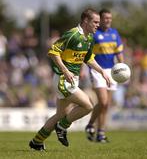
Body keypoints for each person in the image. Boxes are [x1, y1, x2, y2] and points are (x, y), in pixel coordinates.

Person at [29, 8, 110, 151]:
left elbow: (88, 58)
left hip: (73, 79)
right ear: (85, 21)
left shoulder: (89, 37)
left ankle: (36, 142)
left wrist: (101, 71)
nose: (98, 25)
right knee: (88, 105)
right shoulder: (73, 34)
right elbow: (54, 52)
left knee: (61, 115)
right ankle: (62, 127)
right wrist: (65, 71)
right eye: (95, 22)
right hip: (63, 79)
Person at [85, 9, 124, 143]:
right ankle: (90, 124)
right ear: (100, 19)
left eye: (110, 18)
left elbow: (119, 53)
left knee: (106, 105)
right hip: (97, 70)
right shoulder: (94, 34)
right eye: (105, 18)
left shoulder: (114, 34)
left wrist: (122, 68)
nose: (108, 20)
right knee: (103, 101)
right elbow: (86, 54)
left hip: (112, 71)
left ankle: (100, 133)